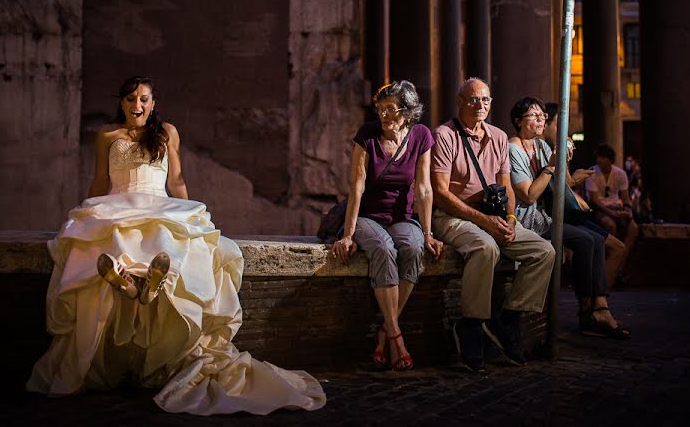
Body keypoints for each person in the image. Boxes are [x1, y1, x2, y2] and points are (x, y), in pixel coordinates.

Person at [28, 76, 325, 414]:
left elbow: (177, 180)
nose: (136, 105)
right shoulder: (107, 136)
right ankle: (129, 284)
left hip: (157, 203)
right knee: (112, 240)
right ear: (121, 103)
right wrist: (89, 214)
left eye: (143, 99)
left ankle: (145, 286)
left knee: (166, 240)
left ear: (153, 104)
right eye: (129, 99)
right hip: (117, 204)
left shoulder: (167, 132)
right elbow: (99, 180)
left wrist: (194, 218)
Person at [430, 78, 555, 372]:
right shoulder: (445, 135)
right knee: (487, 249)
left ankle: (507, 320)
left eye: (485, 100)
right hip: (453, 216)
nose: (480, 105)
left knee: (544, 251)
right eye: (473, 99)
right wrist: (485, 221)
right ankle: (471, 324)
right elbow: (441, 193)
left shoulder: (498, 137)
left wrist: (510, 220)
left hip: (494, 217)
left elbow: (506, 187)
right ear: (459, 102)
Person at [331, 81, 443, 370]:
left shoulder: (421, 136)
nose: (383, 115)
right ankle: (396, 337)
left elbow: (424, 189)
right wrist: (347, 234)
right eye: (380, 109)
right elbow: (356, 187)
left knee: (414, 246)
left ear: (407, 111)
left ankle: (385, 330)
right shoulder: (367, 136)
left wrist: (429, 233)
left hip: (402, 217)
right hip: (368, 217)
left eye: (390, 109)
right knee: (382, 248)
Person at [509, 98, 629, 340]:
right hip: (528, 220)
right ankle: (587, 312)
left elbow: (558, 185)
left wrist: (564, 160)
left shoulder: (541, 147)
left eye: (542, 115)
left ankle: (598, 308)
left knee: (594, 240)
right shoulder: (513, 149)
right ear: (518, 122)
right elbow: (530, 195)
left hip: (548, 217)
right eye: (534, 116)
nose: (541, 119)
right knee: (585, 240)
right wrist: (552, 166)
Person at [542, 103, 627, 289]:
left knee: (619, 243)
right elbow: (559, 186)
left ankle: (601, 300)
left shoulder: (619, 173)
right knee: (596, 241)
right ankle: (595, 302)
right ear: (545, 124)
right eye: (558, 124)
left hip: (571, 214)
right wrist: (573, 179)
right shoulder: (545, 151)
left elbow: (565, 183)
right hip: (557, 217)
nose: (562, 130)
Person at [585, 143, 639, 279]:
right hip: (600, 209)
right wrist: (612, 213)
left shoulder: (620, 174)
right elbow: (595, 201)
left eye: (602, 157)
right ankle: (607, 266)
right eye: (598, 157)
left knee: (633, 228)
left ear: (610, 160)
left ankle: (620, 265)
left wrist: (628, 211)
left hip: (616, 208)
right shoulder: (592, 173)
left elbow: (625, 198)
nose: (599, 160)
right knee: (610, 225)